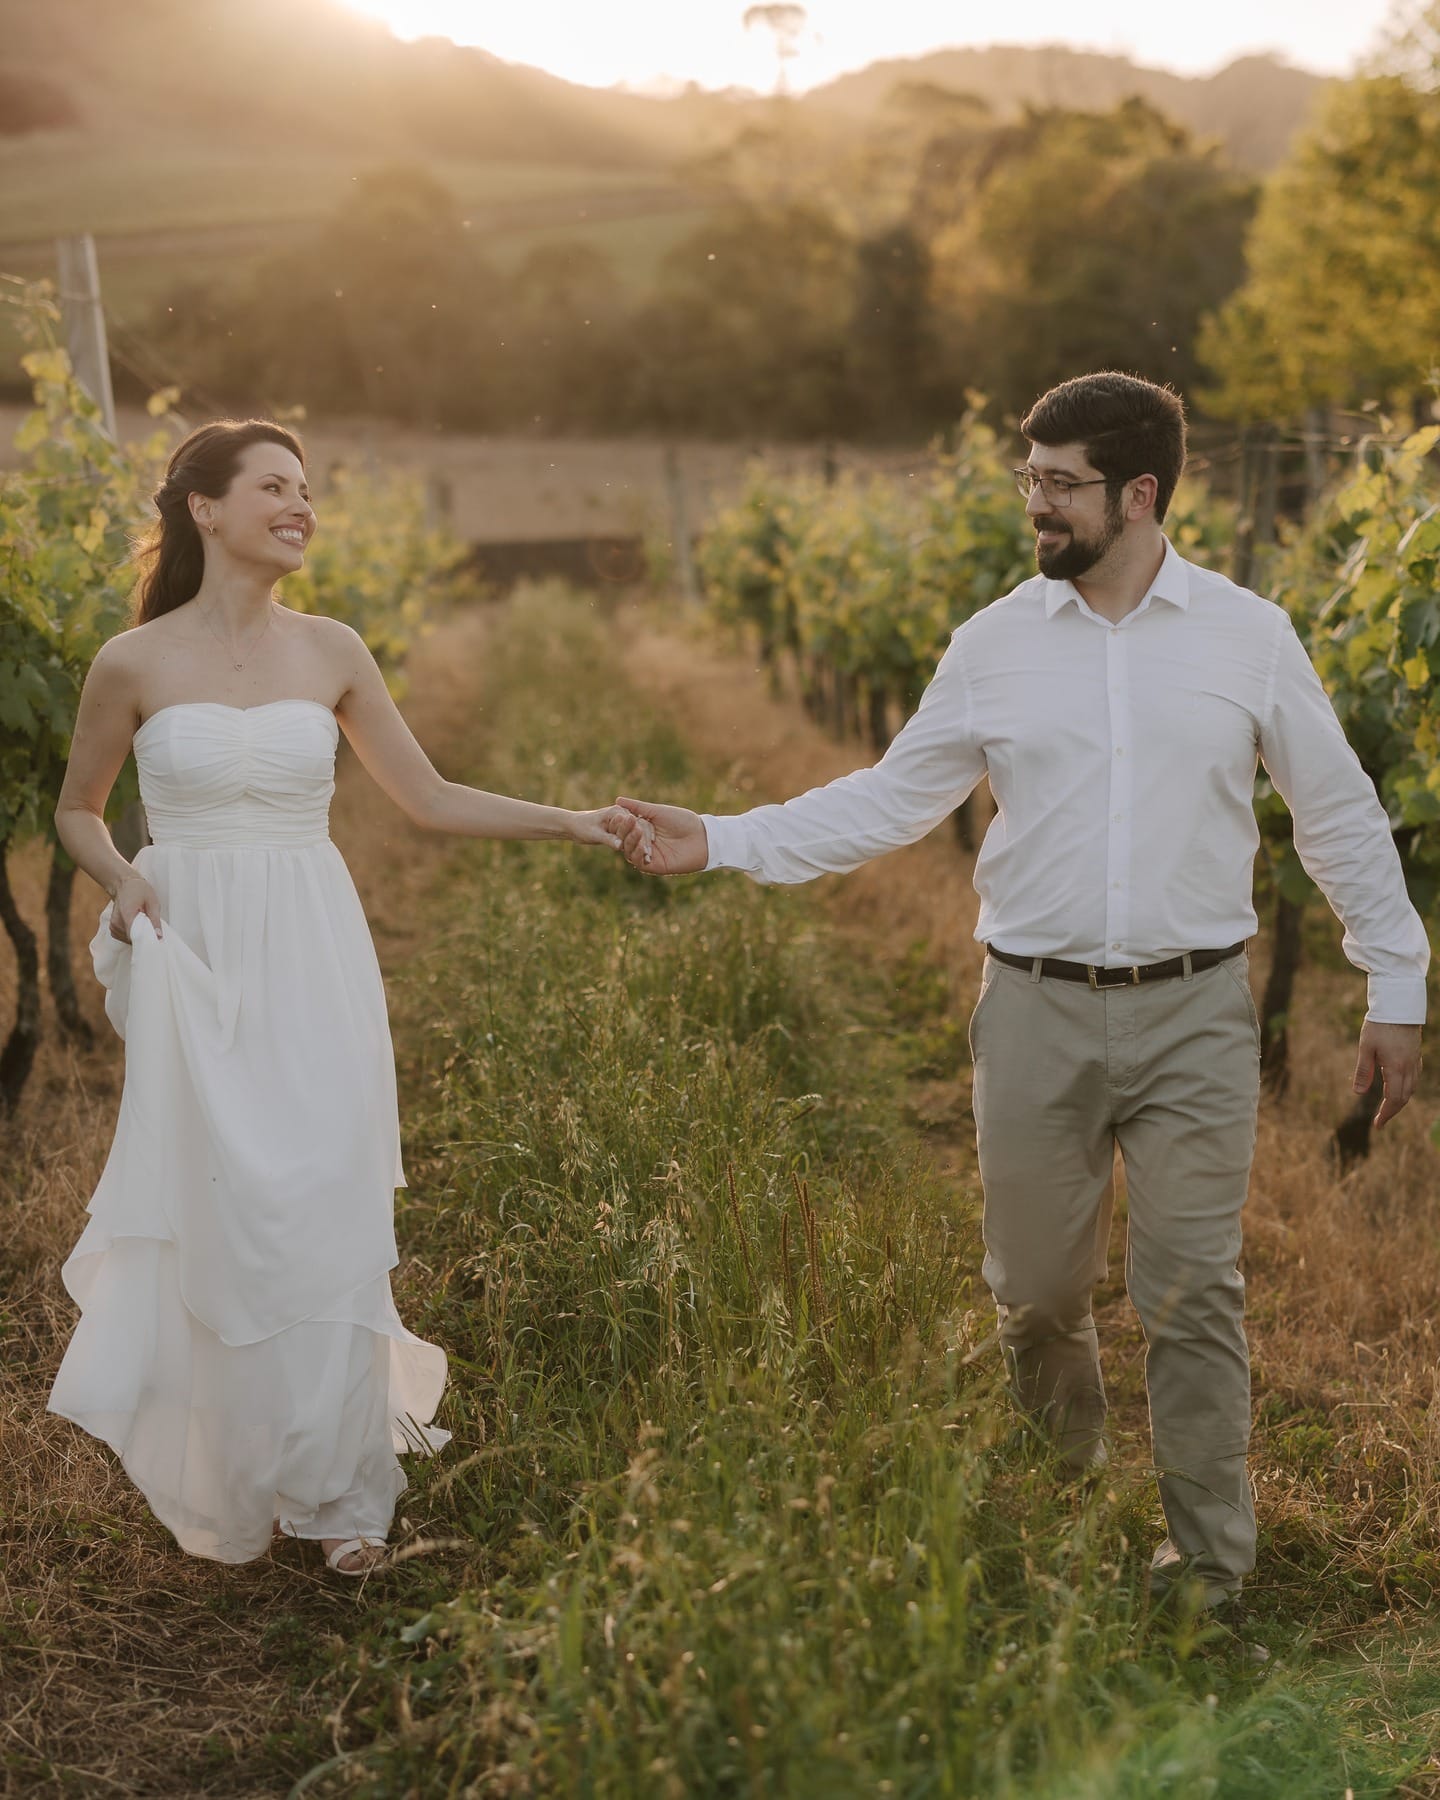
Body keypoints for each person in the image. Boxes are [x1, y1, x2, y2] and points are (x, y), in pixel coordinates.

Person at [610, 371, 1428, 1616]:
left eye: (1059, 485)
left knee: (1192, 1289)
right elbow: (891, 800)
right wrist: (718, 838)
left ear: (1139, 494)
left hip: (1197, 1011)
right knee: (1038, 1295)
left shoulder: (1248, 636)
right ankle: (1066, 1503)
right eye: (1027, 481)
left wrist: (1396, 980)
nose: (1033, 506)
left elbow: (1339, 814)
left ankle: (1211, 1562)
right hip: (1035, 1008)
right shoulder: (992, 644)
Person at [48, 419, 631, 1576]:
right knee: (222, 1203)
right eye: (275, 486)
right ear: (205, 510)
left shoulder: (334, 649)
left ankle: (343, 1491)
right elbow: (76, 810)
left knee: (322, 1191)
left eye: (306, 489)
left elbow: (426, 797)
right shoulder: (133, 660)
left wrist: (571, 821)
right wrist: (121, 881)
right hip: (195, 947)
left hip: (311, 944)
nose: (300, 505)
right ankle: (236, 1463)